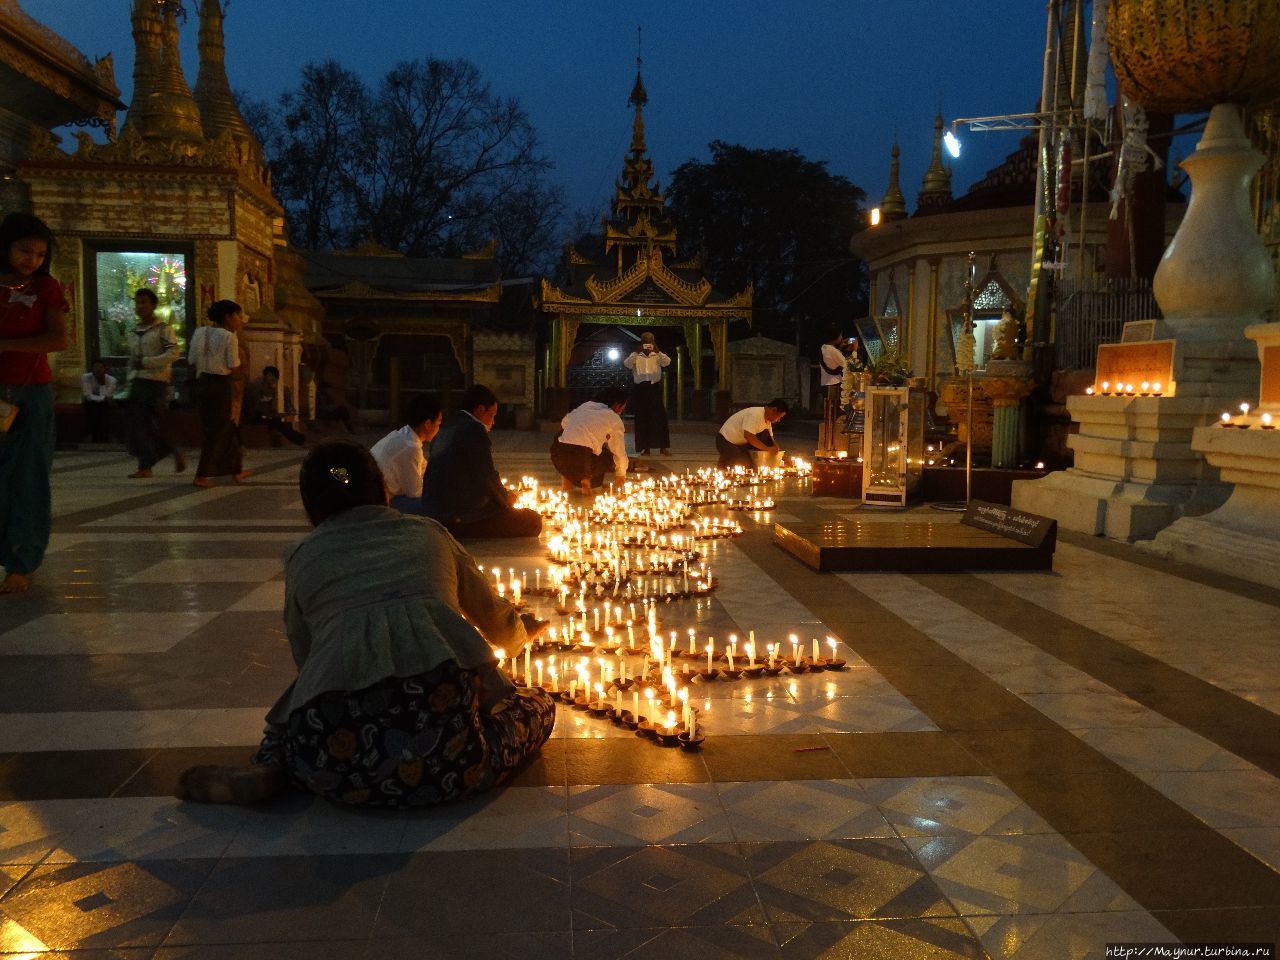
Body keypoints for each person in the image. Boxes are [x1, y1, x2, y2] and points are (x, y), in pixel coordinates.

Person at [174, 439, 556, 807]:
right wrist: (520, 633)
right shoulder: (429, 534)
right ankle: (470, 745)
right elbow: (492, 618)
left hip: (331, 768)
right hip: (448, 763)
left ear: (311, 506)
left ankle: (275, 764)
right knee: (535, 705)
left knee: (295, 720)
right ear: (383, 491)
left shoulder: (304, 556)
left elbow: (305, 654)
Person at [0, 213, 69, 594]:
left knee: (28, 476)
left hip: (30, 391)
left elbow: (58, 340)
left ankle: (21, 561)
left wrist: (6, 346)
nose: (32, 260)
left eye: (40, 254)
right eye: (24, 250)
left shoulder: (47, 288)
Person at [421, 384, 542, 539]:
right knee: (532, 520)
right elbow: (486, 475)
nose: (493, 422)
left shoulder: (446, 427)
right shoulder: (474, 430)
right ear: (479, 410)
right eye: (492, 415)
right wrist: (505, 499)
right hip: (459, 519)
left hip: (433, 514)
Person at [125, 287, 185, 479]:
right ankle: (146, 464)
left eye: (144, 302)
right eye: (137, 302)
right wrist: (130, 378)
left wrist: (147, 363)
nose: (140, 306)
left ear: (153, 306)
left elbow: (174, 353)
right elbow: (132, 359)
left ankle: (167, 451)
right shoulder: (134, 330)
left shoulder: (163, 329)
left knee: (150, 423)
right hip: (137, 380)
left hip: (156, 381)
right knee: (137, 425)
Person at [188, 300, 248, 488]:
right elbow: (233, 365)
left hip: (202, 383)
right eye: (237, 315)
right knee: (219, 430)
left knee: (224, 428)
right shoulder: (229, 337)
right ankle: (202, 475)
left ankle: (235, 470)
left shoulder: (199, 332)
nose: (240, 320)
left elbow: (191, 359)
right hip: (220, 385)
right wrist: (241, 373)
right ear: (227, 317)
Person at [370, 393, 442, 514]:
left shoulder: (405, 435)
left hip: (378, 493)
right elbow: (415, 492)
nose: (439, 428)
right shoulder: (409, 447)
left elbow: (425, 469)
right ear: (428, 424)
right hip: (381, 502)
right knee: (434, 505)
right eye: (439, 423)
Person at [551, 385, 629, 494]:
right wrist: (621, 476)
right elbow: (619, 451)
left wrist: (582, 429)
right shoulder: (614, 419)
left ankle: (566, 480)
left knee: (562, 437)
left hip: (559, 459)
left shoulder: (585, 406)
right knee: (608, 454)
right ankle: (586, 480)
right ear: (617, 406)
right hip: (585, 463)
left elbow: (564, 422)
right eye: (622, 408)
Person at [622, 331, 671, 456]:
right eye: (646, 341)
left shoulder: (657, 355)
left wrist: (658, 350)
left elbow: (667, 362)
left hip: (654, 388)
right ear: (642, 342)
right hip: (641, 389)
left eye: (650, 341)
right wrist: (637, 352)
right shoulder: (635, 355)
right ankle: (645, 448)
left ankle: (663, 447)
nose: (648, 344)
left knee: (659, 418)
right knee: (642, 418)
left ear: (653, 342)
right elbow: (627, 364)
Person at [716, 398, 789, 469]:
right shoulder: (756, 414)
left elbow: (771, 441)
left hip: (741, 444)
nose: (779, 420)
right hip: (725, 441)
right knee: (743, 464)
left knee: (753, 460)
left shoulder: (767, 421)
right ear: (774, 410)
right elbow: (748, 436)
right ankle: (725, 458)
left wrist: (781, 456)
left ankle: (729, 457)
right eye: (779, 417)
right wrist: (768, 449)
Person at [243, 365, 305, 446]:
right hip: (252, 414)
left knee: (279, 422)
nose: (274, 381)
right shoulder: (257, 386)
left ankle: (297, 439)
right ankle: (300, 440)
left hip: (259, 413)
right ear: (269, 375)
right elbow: (255, 405)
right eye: (274, 378)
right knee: (276, 422)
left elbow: (266, 403)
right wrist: (271, 414)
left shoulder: (266, 385)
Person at [819, 327, 855, 451]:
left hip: (826, 384)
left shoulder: (824, 347)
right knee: (838, 417)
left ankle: (829, 444)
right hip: (835, 385)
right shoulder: (833, 350)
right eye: (840, 336)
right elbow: (849, 365)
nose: (842, 338)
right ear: (836, 337)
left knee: (829, 417)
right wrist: (854, 350)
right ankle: (837, 445)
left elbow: (832, 360)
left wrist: (840, 348)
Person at [80, 358, 117, 443]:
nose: (98, 370)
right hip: (91, 403)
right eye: (95, 367)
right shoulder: (86, 378)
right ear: (92, 369)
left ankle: (106, 435)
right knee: (92, 407)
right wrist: (102, 398)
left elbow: (108, 395)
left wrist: (102, 383)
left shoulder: (111, 380)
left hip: (105, 404)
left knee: (106, 407)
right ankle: (93, 435)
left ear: (105, 369)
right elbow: (88, 395)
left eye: (100, 367)